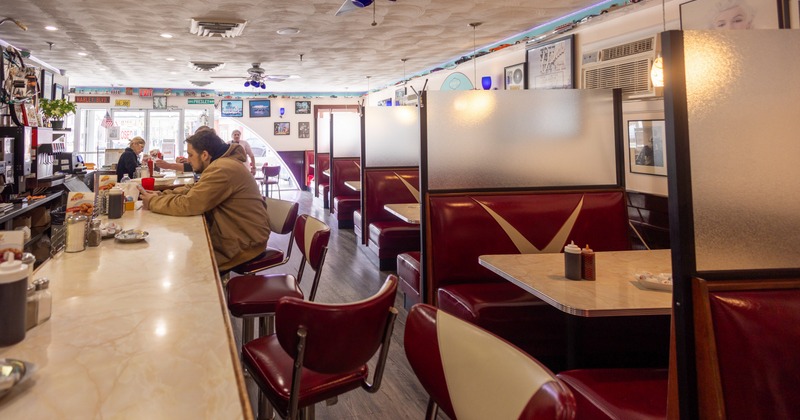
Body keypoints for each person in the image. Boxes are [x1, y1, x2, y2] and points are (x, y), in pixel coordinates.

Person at [139, 129, 270, 271]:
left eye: (190, 155)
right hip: (241, 235)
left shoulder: (223, 168)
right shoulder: (220, 164)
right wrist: (160, 195)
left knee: (182, 267)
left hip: (245, 244)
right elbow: (194, 189)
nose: (188, 160)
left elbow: (190, 204)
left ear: (205, 155)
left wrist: (153, 202)